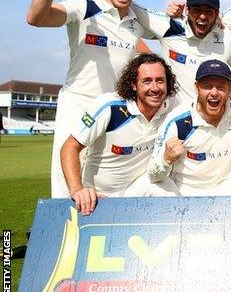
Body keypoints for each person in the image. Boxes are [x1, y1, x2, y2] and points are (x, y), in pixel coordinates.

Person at [27, 0, 150, 197]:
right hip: (77, 105)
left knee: (99, 188)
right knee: (68, 187)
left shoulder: (137, 22)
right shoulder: (85, 8)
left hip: (114, 112)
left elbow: (152, 55)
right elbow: (36, 17)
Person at [80, 0, 231, 104]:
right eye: (197, 10)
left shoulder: (228, 38)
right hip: (176, 121)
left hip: (214, 119)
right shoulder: (169, 26)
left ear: (217, 13)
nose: (202, 16)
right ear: (187, 10)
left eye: (209, 11)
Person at [60, 54, 179, 216]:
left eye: (160, 80)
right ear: (134, 85)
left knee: (171, 194)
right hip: (100, 194)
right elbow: (69, 147)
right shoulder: (109, 107)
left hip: (140, 186)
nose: (155, 88)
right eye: (147, 81)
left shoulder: (171, 107)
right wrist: (77, 190)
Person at [148, 60, 231, 196]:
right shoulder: (178, 121)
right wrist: (166, 159)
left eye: (221, 87)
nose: (214, 93)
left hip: (226, 189)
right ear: (197, 87)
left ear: (230, 89)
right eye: (207, 86)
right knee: (157, 188)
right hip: (186, 194)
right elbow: (153, 174)